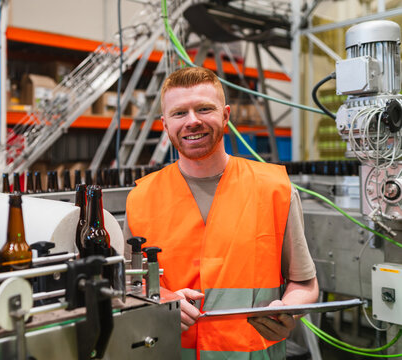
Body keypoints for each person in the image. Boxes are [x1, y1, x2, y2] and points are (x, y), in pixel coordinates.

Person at [123, 67, 318, 359]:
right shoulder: (141, 197)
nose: (192, 121)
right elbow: (129, 284)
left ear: (225, 116)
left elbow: (304, 282)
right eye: (179, 113)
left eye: (204, 109)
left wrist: (289, 308)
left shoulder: (275, 189)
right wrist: (162, 300)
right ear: (165, 125)